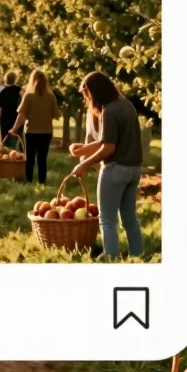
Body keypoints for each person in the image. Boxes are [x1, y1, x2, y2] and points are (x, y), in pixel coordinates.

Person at [71, 72, 143, 259]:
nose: (86, 98)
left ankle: (111, 257)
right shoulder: (126, 105)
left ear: (94, 92)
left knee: (107, 220)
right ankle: (138, 256)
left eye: (86, 94)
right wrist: (84, 149)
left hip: (115, 170)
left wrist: (84, 164)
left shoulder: (109, 111)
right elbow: (108, 141)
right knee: (130, 219)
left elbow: (109, 148)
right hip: (134, 169)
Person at [10, 69, 62, 184]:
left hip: (31, 132)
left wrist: (13, 129)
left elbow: (22, 116)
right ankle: (41, 181)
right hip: (46, 132)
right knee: (42, 159)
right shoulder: (51, 97)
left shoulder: (29, 96)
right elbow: (56, 115)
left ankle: (29, 181)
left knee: (30, 158)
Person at [0, 70, 22, 147]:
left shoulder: (4, 91)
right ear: (16, 79)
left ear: (6, 80)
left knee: (5, 140)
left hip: (5, 118)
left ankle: (8, 152)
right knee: (15, 137)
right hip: (16, 117)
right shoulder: (19, 91)